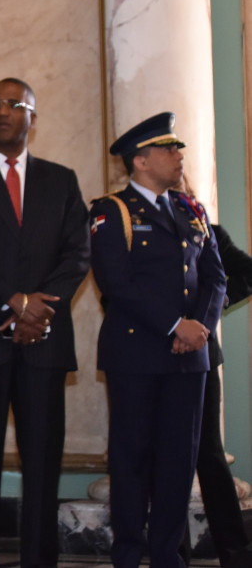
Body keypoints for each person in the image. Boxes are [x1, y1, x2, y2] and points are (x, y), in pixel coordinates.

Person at [0, 77, 91, 568]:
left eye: (14, 104)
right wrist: (11, 301)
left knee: (43, 463)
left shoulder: (61, 180)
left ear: (32, 117)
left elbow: (77, 253)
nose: (2, 112)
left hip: (44, 341)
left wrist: (38, 310)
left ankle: (40, 560)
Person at [91, 112, 225, 568]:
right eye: (169, 149)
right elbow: (116, 283)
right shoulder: (113, 211)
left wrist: (198, 328)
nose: (178, 156)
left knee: (178, 462)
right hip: (136, 355)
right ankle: (128, 556)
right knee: (131, 460)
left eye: (178, 148)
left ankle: (168, 556)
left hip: (188, 360)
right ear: (141, 161)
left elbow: (216, 278)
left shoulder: (191, 210)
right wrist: (174, 326)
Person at [193, 222, 252, 568]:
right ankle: (171, 553)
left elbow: (246, 271)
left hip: (201, 357)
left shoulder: (208, 230)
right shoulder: (126, 224)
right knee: (158, 457)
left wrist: (213, 305)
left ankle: (235, 551)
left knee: (209, 454)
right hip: (150, 358)